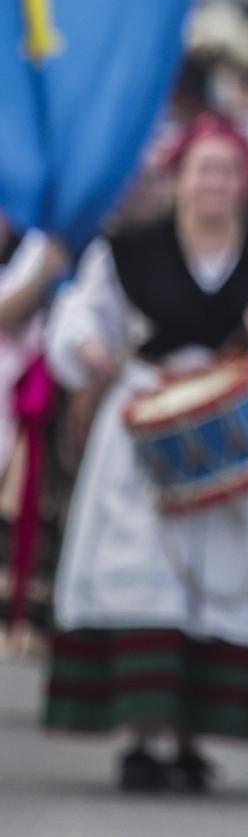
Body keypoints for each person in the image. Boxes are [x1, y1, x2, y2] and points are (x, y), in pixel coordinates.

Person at [40, 113, 248, 791]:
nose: (214, 184)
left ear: (245, 183)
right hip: (145, 433)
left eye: (227, 171)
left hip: (239, 433)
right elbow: (77, 318)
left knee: (221, 577)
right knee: (146, 573)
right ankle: (143, 732)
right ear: (178, 179)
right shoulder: (128, 251)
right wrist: (88, 350)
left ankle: (188, 733)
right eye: (202, 170)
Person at [0, 221, 72, 647]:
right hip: (13, 393)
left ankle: (28, 617)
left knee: (37, 503)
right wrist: (42, 274)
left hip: (37, 395)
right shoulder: (38, 257)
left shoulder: (40, 240)